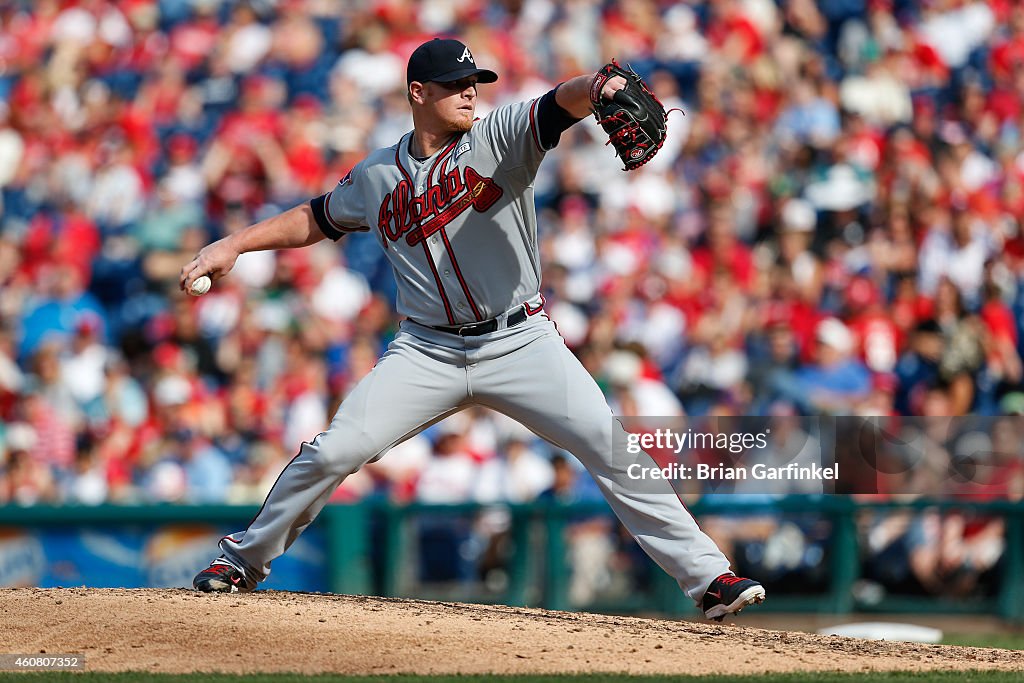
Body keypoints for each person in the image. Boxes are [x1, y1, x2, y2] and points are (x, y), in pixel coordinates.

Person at [181, 38, 765, 620]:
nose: (470, 93)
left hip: (521, 341)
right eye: (456, 85)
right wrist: (233, 244)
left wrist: (602, 88)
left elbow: (560, 102)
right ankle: (242, 562)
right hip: (426, 349)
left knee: (611, 447)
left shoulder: (500, 136)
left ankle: (709, 577)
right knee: (334, 451)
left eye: (474, 83)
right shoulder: (379, 173)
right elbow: (317, 217)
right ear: (419, 93)